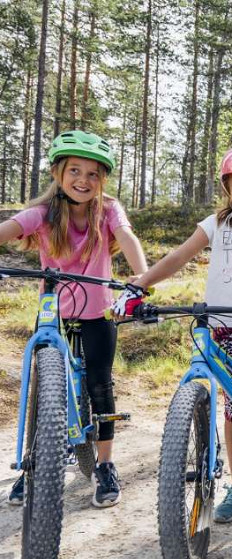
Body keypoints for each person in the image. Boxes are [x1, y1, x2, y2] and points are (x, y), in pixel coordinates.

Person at [113, 145, 232, 524]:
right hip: (223, 324)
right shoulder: (215, 224)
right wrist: (142, 284)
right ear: (227, 186)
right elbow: (178, 257)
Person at [0, 130, 148, 508]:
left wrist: (141, 279)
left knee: (100, 385)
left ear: (103, 180)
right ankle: (34, 464)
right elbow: (9, 230)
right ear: (58, 173)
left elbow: (127, 238)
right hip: (54, 314)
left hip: (98, 309)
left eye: (93, 174)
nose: (84, 180)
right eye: (75, 171)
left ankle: (105, 464)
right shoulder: (44, 213)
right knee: (43, 390)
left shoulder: (109, 209)